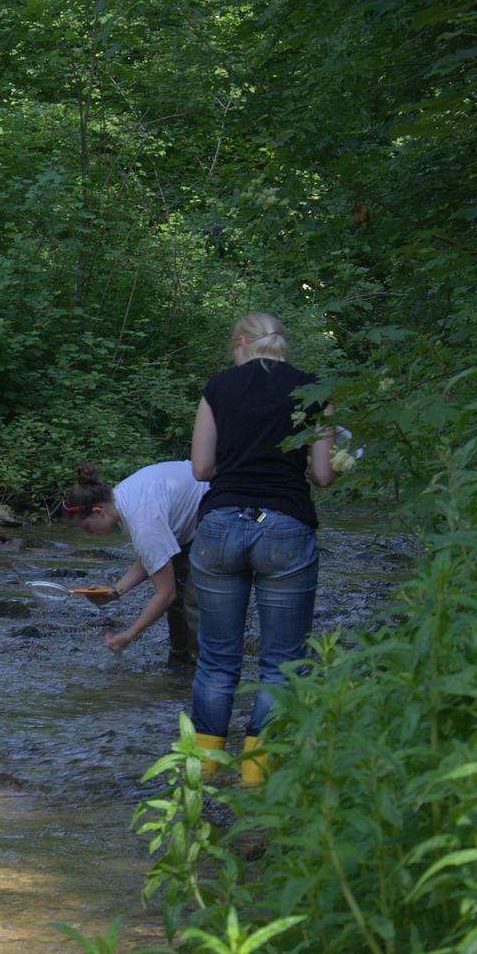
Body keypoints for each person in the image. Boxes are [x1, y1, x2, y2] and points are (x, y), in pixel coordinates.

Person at [188, 311, 336, 785]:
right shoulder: (312, 388)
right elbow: (323, 475)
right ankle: (256, 774)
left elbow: (200, 469)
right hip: (286, 526)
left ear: (242, 342)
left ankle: (206, 768)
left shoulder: (219, 387)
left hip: (219, 526)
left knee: (216, 658)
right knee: (280, 661)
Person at [61, 461, 208, 665]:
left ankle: (206, 672)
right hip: (193, 521)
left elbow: (165, 594)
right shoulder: (123, 500)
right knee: (180, 603)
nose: (88, 533)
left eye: (87, 526)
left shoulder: (142, 519)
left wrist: (130, 635)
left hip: (221, 511)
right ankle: (181, 670)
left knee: (193, 603)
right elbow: (151, 557)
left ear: (98, 510)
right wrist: (115, 591)